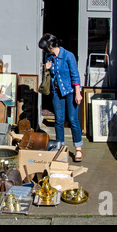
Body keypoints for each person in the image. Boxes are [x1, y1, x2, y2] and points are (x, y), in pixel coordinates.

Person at [38, 33, 83, 162]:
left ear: (51, 46)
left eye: (45, 48)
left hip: (70, 92)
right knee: (59, 120)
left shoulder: (68, 56)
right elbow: (48, 76)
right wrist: (46, 69)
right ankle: (60, 146)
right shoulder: (49, 57)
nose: (45, 51)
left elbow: (75, 76)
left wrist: (78, 93)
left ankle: (78, 148)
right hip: (56, 92)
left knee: (73, 120)